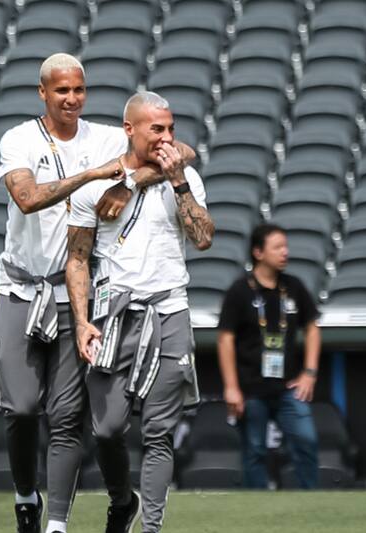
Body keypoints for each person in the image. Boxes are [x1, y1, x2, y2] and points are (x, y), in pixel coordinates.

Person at [0, 54, 194, 533]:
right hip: (22, 287)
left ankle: (56, 524)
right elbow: (28, 197)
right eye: (61, 91)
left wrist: (125, 181)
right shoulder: (19, 139)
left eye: (79, 90)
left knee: (67, 417)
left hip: (76, 294)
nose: (71, 99)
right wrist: (93, 175)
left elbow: (179, 152)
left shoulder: (105, 135)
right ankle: (25, 495)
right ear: (43, 93)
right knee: (19, 408)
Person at [66, 91, 214, 533]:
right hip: (116, 314)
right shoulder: (98, 185)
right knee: (108, 429)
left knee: (158, 433)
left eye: (171, 128)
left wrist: (179, 183)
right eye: (157, 129)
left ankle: (151, 528)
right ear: (128, 129)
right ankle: (121, 499)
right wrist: (81, 321)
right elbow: (76, 257)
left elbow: (203, 238)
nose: (167, 137)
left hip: (170, 309)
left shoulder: (184, 177)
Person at [216, 223, 321, 489]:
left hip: (288, 387)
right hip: (251, 388)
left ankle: (313, 502)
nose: (285, 253)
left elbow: (312, 328)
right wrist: (231, 387)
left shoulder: (294, 287)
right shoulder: (240, 291)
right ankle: (256, 511)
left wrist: (309, 373)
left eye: (286, 247)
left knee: (306, 440)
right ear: (258, 252)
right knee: (255, 451)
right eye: (278, 247)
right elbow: (225, 339)